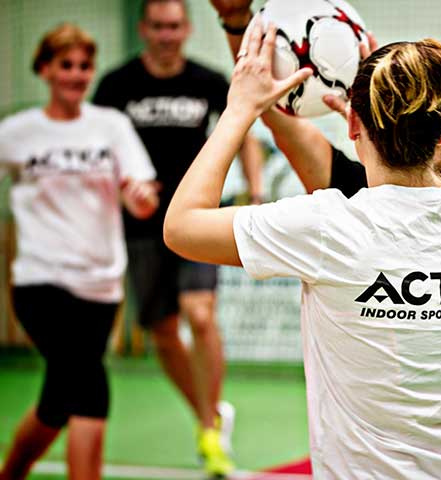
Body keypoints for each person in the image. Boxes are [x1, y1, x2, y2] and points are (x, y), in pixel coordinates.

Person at [210, 0, 441, 477]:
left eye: (433, 105)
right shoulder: (360, 205)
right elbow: (280, 118)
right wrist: (238, 24)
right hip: (424, 457)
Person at [93, 1, 263, 474]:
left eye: (174, 26)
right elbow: (98, 149)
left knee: (199, 313)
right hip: (141, 226)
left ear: (187, 28)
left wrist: (257, 188)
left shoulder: (208, 81)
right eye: (157, 26)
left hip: (198, 218)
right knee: (163, 331)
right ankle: (208, 418)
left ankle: (209, 429)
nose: (166, 34)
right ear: (144, 29)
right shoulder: (116, 86)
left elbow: (245, 131)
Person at [0, 24, 158, 480]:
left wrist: (142, 197)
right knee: (88, 383)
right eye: (65, 65)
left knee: (59, 397)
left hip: (101, 284)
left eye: (84, 65)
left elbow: (138, 193)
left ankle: (11, 472)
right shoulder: (17, 132)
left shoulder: (111, 126)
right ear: (45, 69)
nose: (76, 74)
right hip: (41, 280)